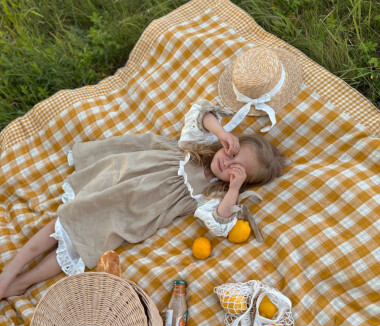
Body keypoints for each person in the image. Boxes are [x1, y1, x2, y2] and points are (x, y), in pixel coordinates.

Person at [0, 46, 302, 299]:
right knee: (70, 215)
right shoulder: (201, 145)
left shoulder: (211, 196)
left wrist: (234, 189)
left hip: (133, 213)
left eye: (238, 171)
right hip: (122, 177)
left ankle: (23, 283)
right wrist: (222, 133)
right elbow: (201, 113)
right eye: (232, 152)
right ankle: (14, 268)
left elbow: (221, 221)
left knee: (83, 242)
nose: (228, 163)